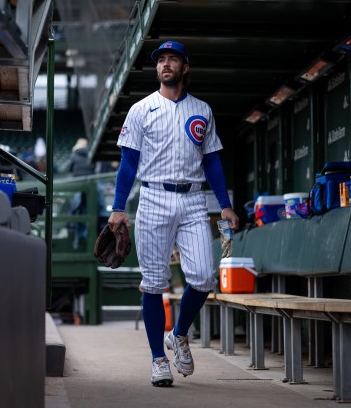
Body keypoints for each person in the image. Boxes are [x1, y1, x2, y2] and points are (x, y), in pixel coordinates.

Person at [108, 40, 239, 387]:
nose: (166, 64)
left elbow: (212, 160)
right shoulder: (141, 109)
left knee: (204, 277)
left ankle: (178, 334)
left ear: (185, 67)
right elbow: (128, 162)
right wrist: (118, 208)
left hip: (194, 200)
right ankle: (157, 360)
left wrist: (224, 204)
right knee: (153, 284)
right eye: (161, 60)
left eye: (173, 59)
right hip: (152, 197)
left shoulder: (202, 110)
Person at [68, 138, 95, 249]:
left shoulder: (74, 155)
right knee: (85, 212)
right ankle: (84, 237)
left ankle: (70, 224)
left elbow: (69, 169)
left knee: (76, 211)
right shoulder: (91, 154)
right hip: (89, 187)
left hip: (78, 186)